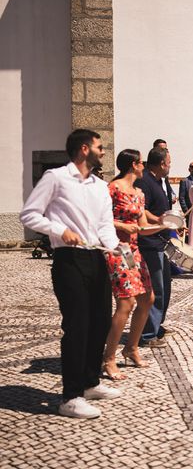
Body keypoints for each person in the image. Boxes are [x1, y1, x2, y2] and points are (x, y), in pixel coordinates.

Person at [20, 129, 122, 418]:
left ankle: (90, 382)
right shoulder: (56, 177)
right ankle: (70, 396)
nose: (103, 151)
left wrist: (118, 250)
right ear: (84, 148)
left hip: (97, 259)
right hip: (69, 260)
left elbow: (105, 227)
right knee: (77, 326)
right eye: (100, 147)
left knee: (100, 322)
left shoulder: (100, 186)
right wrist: (60, 230)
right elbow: (29, 214)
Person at [103, 149, 165, 380]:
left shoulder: (139, 193)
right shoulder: (113, 188)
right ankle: (109, 358)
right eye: (141, 163)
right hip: (116, 249)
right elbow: (98, 218)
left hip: (133, 251)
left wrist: (167, 225)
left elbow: (143, 226)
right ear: (133, 164)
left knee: (147, 298)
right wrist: (120, 225)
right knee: (126, 303)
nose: (144, 166)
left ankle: (131, 347)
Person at [135, 146, 173, 347]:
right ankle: (147, 334)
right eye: (168, 163)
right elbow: (142, 209)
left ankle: (156, 326)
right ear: (160, 164)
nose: (169, 166)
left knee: (165, 287)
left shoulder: (159, 181)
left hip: (160, 242)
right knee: (155, 290)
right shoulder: (145, 182)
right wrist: (159, 220)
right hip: (149, 243)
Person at [178, 161, 193, 229]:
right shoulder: (184, 181)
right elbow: (182, 198)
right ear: (189, 169)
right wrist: (186, 211)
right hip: (190, 212)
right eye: (192, 167)